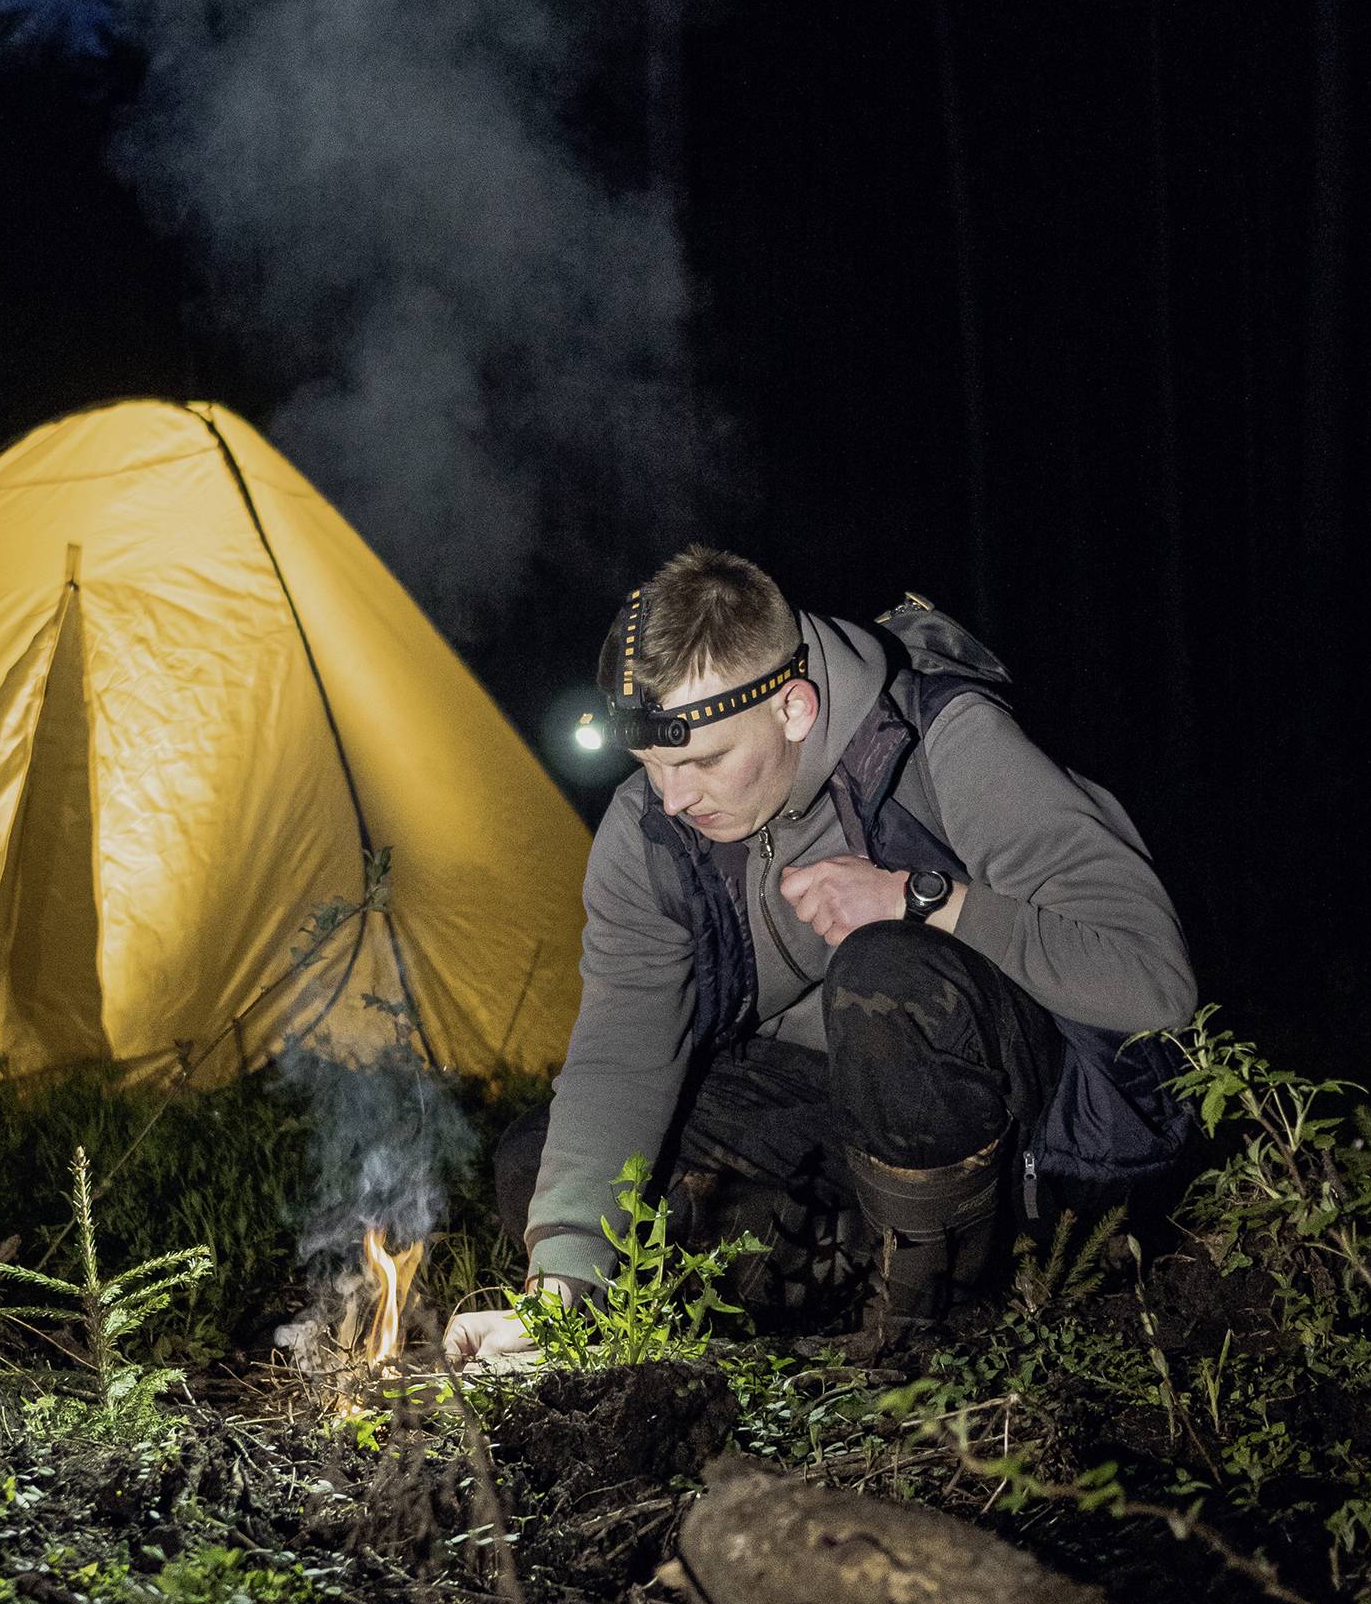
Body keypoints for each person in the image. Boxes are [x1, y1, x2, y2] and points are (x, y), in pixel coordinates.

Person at [444, 546, 1198, 1372]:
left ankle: (929, 1331)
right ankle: (851, 1275)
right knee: (543, 1175)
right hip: (835, 1124)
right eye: (651, 766)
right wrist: (558, 1293)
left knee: (884, 974)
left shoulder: (943, 739)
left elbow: (1150, 980)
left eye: (701, 760)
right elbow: (620, 1055)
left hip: (1029, 1142)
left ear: (794, 708)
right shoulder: (651, 832)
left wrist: (921, 899)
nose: (674, 799)